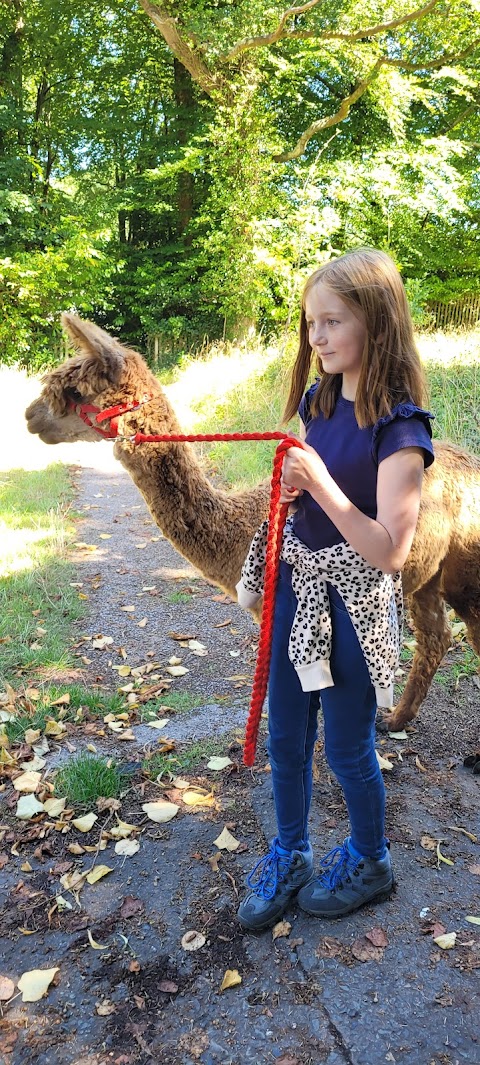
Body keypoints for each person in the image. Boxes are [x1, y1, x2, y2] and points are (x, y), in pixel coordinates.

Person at [236, 247, 435, 932]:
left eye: (331, 321)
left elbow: (389, 548)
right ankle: (290, 850)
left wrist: (317, 480)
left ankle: (371, 858)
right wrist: (295, 492)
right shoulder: (318, 401)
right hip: (300, 589)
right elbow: (311, 500)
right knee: (287, 734)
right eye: (309, 323)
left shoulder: (401, 429)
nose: (315, 337)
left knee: (347, 746)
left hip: (355, 604)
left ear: (375, 323)